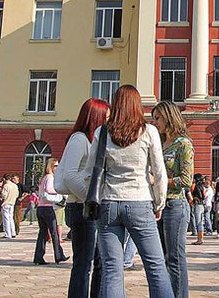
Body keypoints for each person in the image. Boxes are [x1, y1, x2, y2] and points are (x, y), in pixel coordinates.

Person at [85, 85, 173, 297]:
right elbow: (160, 172)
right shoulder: (149, 131)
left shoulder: (102, 132)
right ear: (137, 106)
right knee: (156, 266)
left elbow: (89, 173)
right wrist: (159, 203)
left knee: (112, 270)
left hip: (108, 203)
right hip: (140, 201)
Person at [55, 98, 109, 298]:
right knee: (84, 263)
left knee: (99, 261)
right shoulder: (79, 139)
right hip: (81, 207)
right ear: (96, 117)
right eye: (106, 117)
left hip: (88, 207)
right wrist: (90, 199)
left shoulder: (93, 140)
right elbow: (70, 175)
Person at [152, 100, 194, 298]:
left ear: (169, 117)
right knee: (161, 258)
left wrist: (159, 181)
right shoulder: (159, 143)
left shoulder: (183, 144)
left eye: (158, 118)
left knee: (175, 258)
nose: (155, 122)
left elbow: (186, 180)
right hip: (158, 205)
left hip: (176, 205)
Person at [33, 158, 69, 265]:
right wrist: (59, 190)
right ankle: (58, 255)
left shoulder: (43, 177)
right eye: (56, 166)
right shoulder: (50, 177)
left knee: (43, 233)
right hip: (48, 208)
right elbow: (49, 189)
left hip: (41, 207)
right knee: (54, 233)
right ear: (52, 167)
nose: (57, 168)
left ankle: (38, 257)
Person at [1, 174, 19, 239]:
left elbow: (4, 195)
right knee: (11, 218)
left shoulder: (6, 186)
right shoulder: (15, 186)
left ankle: (7, 234)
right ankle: (13, 232)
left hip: (6, 203)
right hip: (12, 203)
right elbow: (17, 195)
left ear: (4, 179)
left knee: (6, 219)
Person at [191, 173, 206, 245]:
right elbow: (204, 195)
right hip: (201, 205)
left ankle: (200, 239)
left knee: (198, 223)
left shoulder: (196, 186)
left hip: (198, 205)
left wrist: (194, 198)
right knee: (200, 222)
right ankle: (200, 238)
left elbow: (200, 196)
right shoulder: (202, 186)